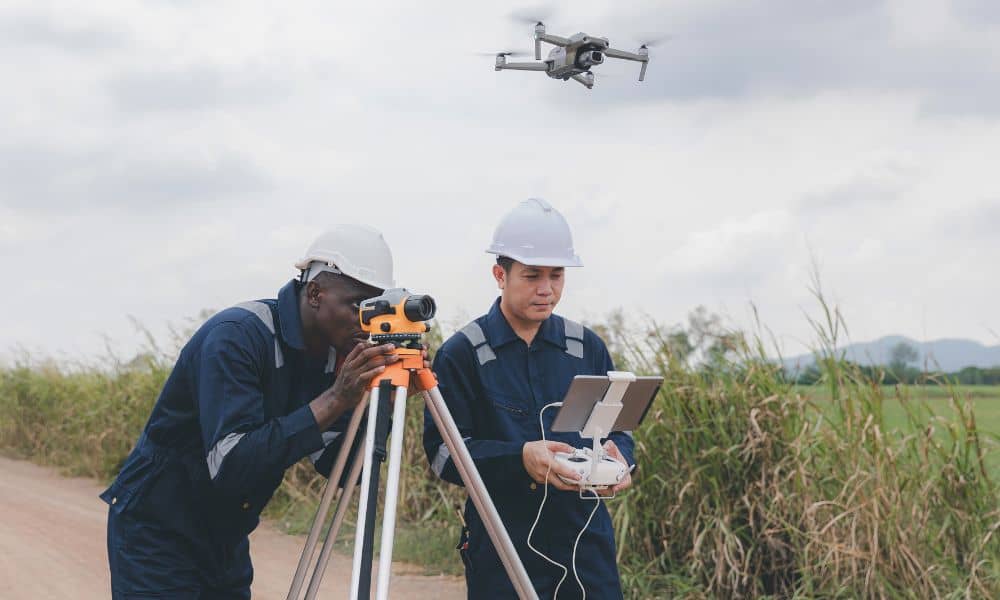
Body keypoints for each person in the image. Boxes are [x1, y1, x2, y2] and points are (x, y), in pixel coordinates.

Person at [101, 225, 415, 599]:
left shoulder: (332, 355)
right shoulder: (237, 337)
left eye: (373, 308)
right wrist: (336, 398)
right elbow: (232, 463)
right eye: (356, 305)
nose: (364, 322)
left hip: (225, 534)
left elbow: (342, 466)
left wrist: (387, 401)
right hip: (158, 530)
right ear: (315, 293)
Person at [423, 199, 636, 599]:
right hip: (502, 545)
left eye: (556, 276)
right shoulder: (463, 354)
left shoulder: (585, 348)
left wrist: (620, 459)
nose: (546, 289)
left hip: (585, 544)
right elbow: (442, 455)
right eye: (532, 276)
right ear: (499, 275)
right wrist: (519, 459)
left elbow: (617, 428)